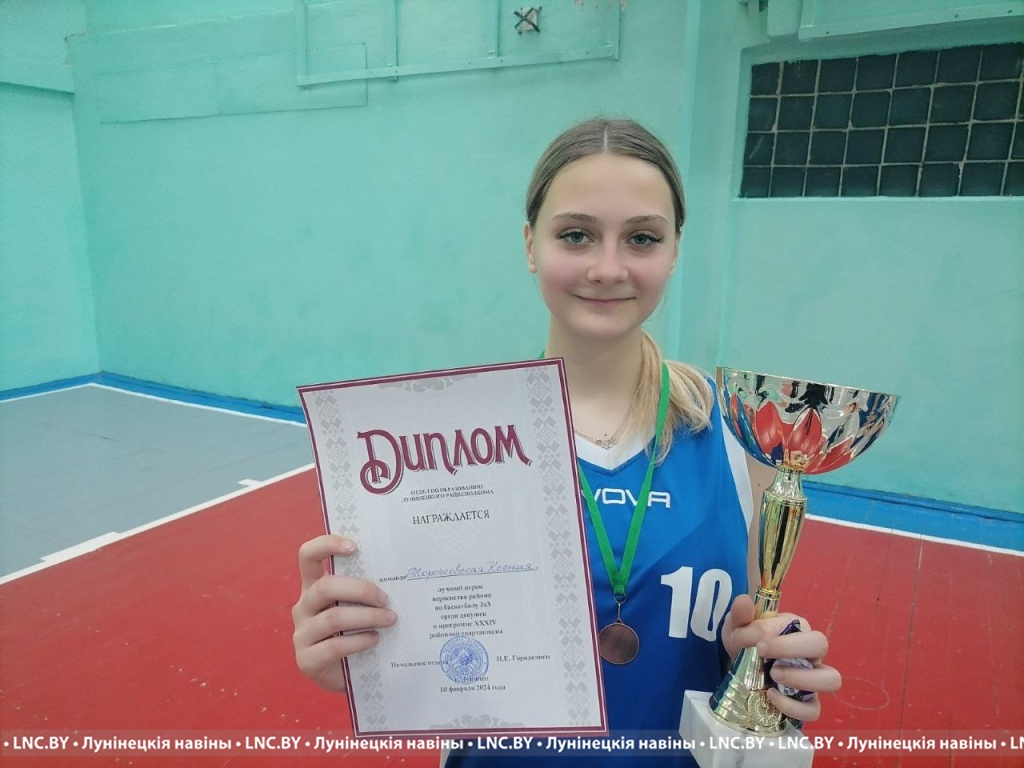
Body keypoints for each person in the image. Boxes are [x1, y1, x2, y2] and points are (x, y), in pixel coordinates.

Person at [291, 117, 842, 765]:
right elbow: (428, 655)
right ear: (531, 245)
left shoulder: (735, 441)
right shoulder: (448, 449)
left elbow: (747, 633)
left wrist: (771, 668)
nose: (607, 268)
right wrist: (355, 658)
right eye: (576, 234)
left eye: (642, 238)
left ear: (673, 252)